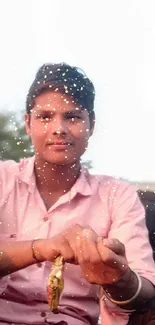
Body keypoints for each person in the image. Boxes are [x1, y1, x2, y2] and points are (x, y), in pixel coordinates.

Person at [0, 62, 155, 325]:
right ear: (28, 124)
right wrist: (43, 248)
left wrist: (121, 279)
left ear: (91, 125)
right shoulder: (3, 180)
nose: (58, 128)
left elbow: (146, 292)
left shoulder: (117, 196)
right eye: (45, 117)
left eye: (72, 117)